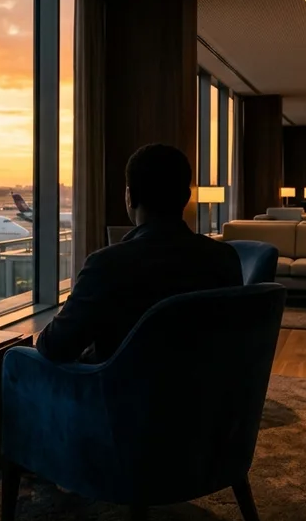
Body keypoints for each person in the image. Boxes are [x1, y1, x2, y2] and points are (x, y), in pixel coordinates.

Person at [36, 143, 243, 363]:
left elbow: (55, 347)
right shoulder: (225, 258)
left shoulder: (106, 265)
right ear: (185, 197)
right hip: (208, 390)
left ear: (130, 197)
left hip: (121, 393)